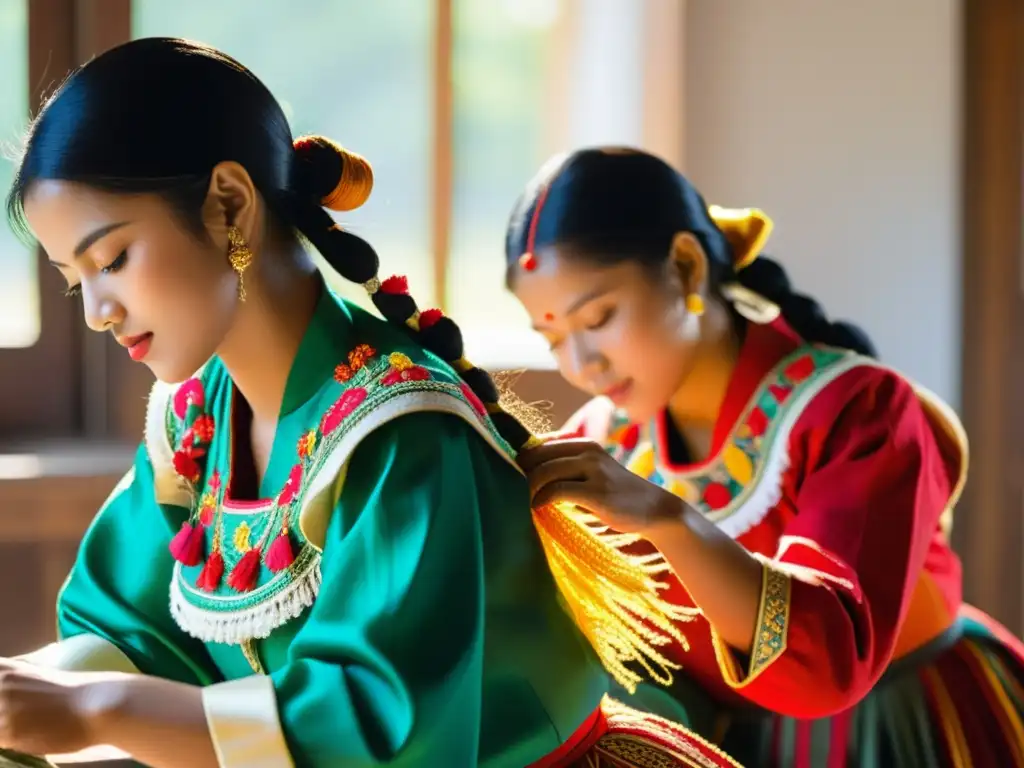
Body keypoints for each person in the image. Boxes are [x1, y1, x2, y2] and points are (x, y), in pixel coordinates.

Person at [0, 39, 744, 768]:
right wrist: (32, 694)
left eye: (112, 260)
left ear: (229, 204)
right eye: (75, 280)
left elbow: (381, 731)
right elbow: (130, 628)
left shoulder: (401, 429)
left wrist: (95, 709)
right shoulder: (195, 419)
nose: (97, 310)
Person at [506, 146, 1024, 766]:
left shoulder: (859, 410)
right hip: (721, 739)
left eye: (600, 316)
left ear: (686, 267)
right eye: (554, 338)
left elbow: (828, 660)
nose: (580, 365)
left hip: (903, 726)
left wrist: (669, 520)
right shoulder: (606, 438)